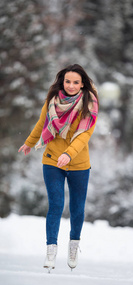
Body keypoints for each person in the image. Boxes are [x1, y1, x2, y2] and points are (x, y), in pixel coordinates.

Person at [18, 64, 99, 271]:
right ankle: (51, 250)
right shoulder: (52, 101)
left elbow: (83, 136)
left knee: (77, 209)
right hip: (52, 160)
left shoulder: (89, 105)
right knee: (55, 205)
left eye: (76, 82)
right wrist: (29, 142)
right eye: (67, 81)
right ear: (62, 82)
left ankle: (73, 246)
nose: (71, 86)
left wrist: (69, 154)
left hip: (79, 163)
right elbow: (41, 123)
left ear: (83, 85)